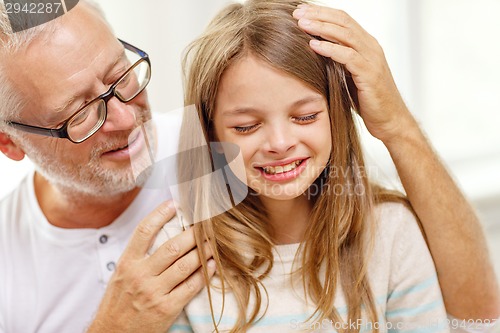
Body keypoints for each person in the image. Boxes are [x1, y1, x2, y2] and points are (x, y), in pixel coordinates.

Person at [0, 0, 496, 332]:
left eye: (121, 74)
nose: (129, 118)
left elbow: (474, 315)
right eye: (81, 113)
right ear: (11, 142)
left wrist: (397, 126)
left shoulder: (207, 152)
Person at [172, 0, 500, 332]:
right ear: (208, 132)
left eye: (305, 116)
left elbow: (477, 324)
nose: (280, 142)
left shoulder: (390, 232)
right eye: (246, 126)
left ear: (336, 115)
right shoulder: (184, 249)